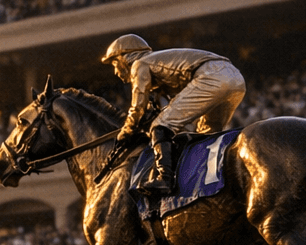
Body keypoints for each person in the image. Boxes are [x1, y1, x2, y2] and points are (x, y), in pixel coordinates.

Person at [104, 33, 246, 195]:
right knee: (207, 134)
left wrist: (126, 131)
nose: (115, 72)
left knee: (160, 126)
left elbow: (138, 107)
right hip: (235, 77)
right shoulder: (158, 64)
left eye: (115, 64)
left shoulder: (139, 64)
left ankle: (165, 179)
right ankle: (215, 180)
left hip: (210, 76)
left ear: (125, 58)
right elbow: (161, 108)